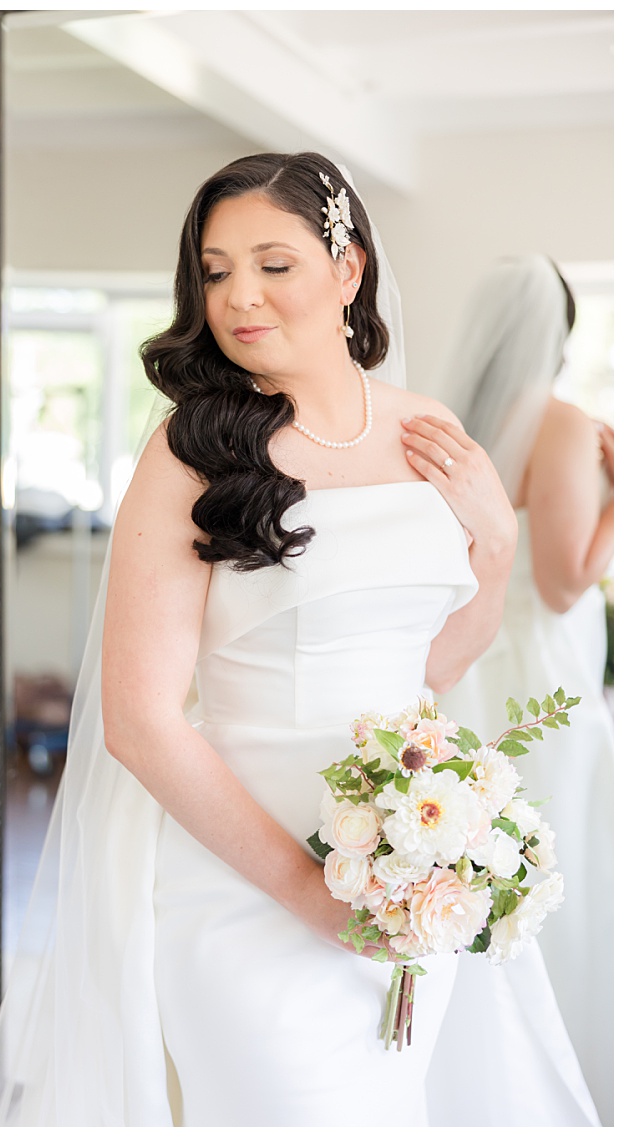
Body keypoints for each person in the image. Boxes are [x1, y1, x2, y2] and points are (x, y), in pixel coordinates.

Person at [0, 153, 598, 1126]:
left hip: (407, 869)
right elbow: (138, 722)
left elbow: (438, 662)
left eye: (272, 264)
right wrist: (311, 894)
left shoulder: (426, 427)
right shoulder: (193, 450)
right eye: (214, 271)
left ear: (345, 270)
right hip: (243, 892)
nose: (237, 297)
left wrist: (496, 535)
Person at [431, 256, 614, 1123]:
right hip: (547, 687)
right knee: (562, 863)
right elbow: (564, 582)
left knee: (482, 869)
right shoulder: (565, 424)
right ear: (562, 336)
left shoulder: (452, 427)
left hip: (470, 675)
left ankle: (479, 1071)